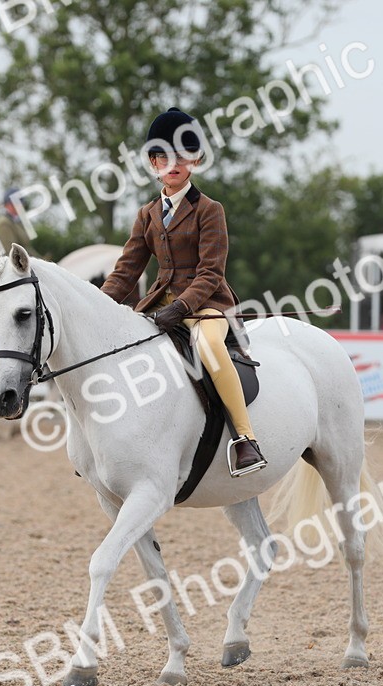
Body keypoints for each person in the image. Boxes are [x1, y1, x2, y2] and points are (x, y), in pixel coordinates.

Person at [99, 107, 266, 476]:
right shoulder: (147, 214)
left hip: (207, 307)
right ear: (152, 162)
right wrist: (97, 304)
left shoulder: (210, 210)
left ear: (196, 159)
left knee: (207, 347)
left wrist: (181, 308)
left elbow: (211, 273)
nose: (170, 163)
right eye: (161, 156)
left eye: (180, 155)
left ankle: (245, 439)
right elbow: (127, 270)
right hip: (158, 305)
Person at [0, 187, 32, 258]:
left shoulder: (16, 222)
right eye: (18, 203)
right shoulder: (4, 223)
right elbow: (10, 253)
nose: (21, 206)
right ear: (9, 204)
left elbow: (27, 248)